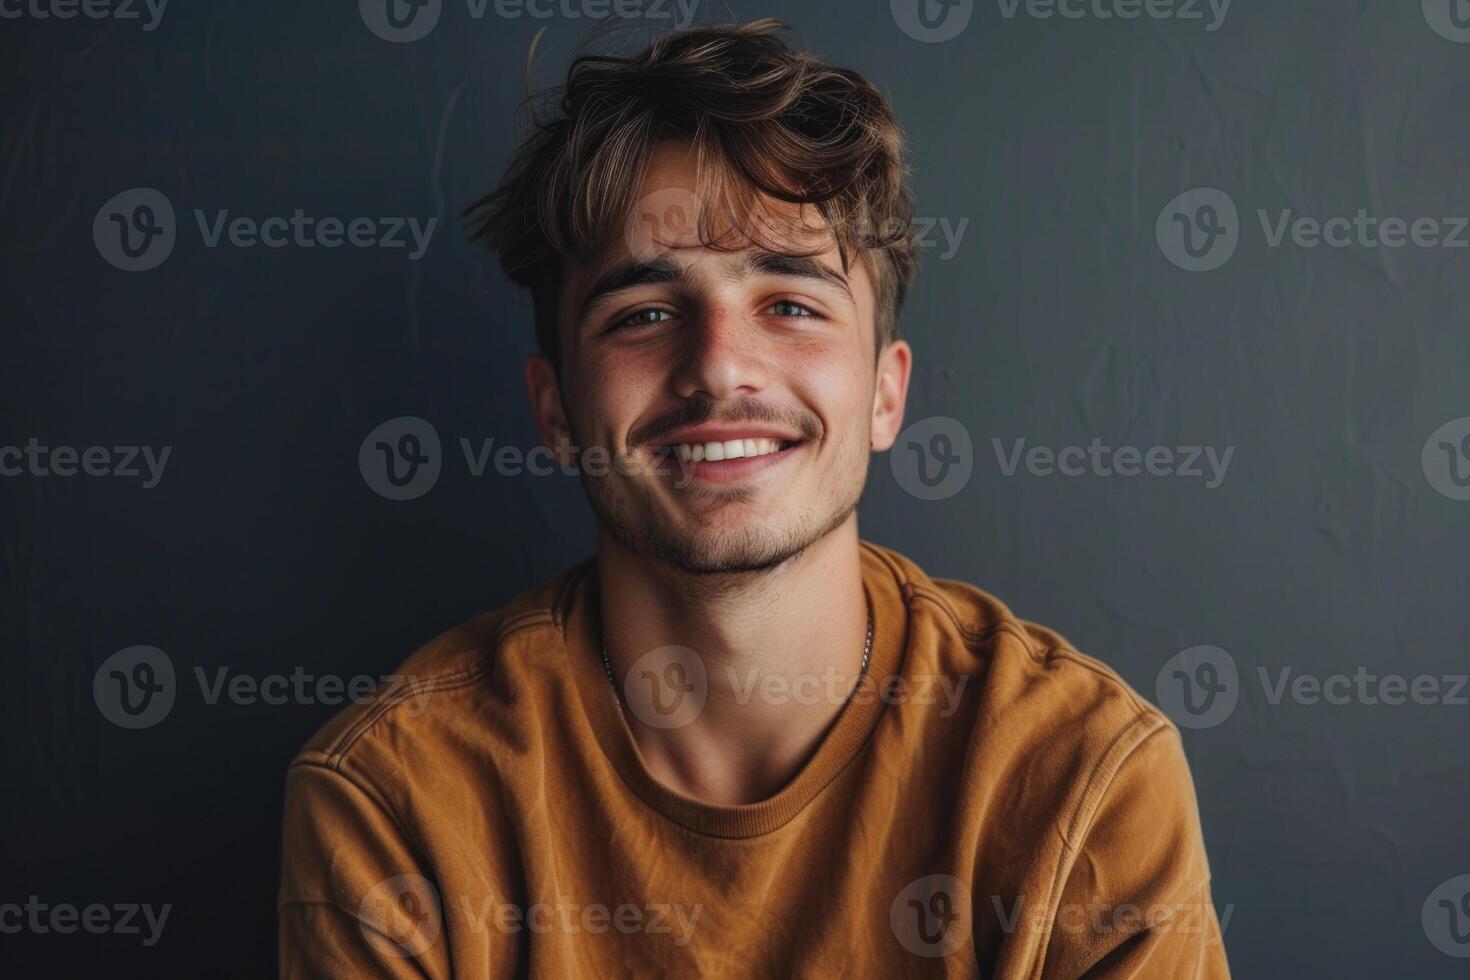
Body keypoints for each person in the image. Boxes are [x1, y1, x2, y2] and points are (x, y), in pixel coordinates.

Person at [278, 19, 1230, 977]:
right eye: (644, 313)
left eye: (791, 303)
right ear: (557, 408)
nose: (720, 366)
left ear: (886, 394)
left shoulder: (1082, 780)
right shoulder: (395, 799)